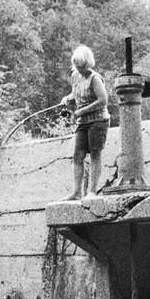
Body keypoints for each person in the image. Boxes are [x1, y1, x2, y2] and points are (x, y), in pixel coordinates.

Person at [60, 45, 109, 201]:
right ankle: (76, 192)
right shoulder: (75, 75)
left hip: (98, 121)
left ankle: (92, 191)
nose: (79, 70)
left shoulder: (95, 78)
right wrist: (68, 98)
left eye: (82, 67)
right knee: (78, 156)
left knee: (95, 154)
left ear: (88, 64)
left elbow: (103, 100)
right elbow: (76, 93)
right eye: (77, 66)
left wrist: (83, 110)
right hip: (83, 122)